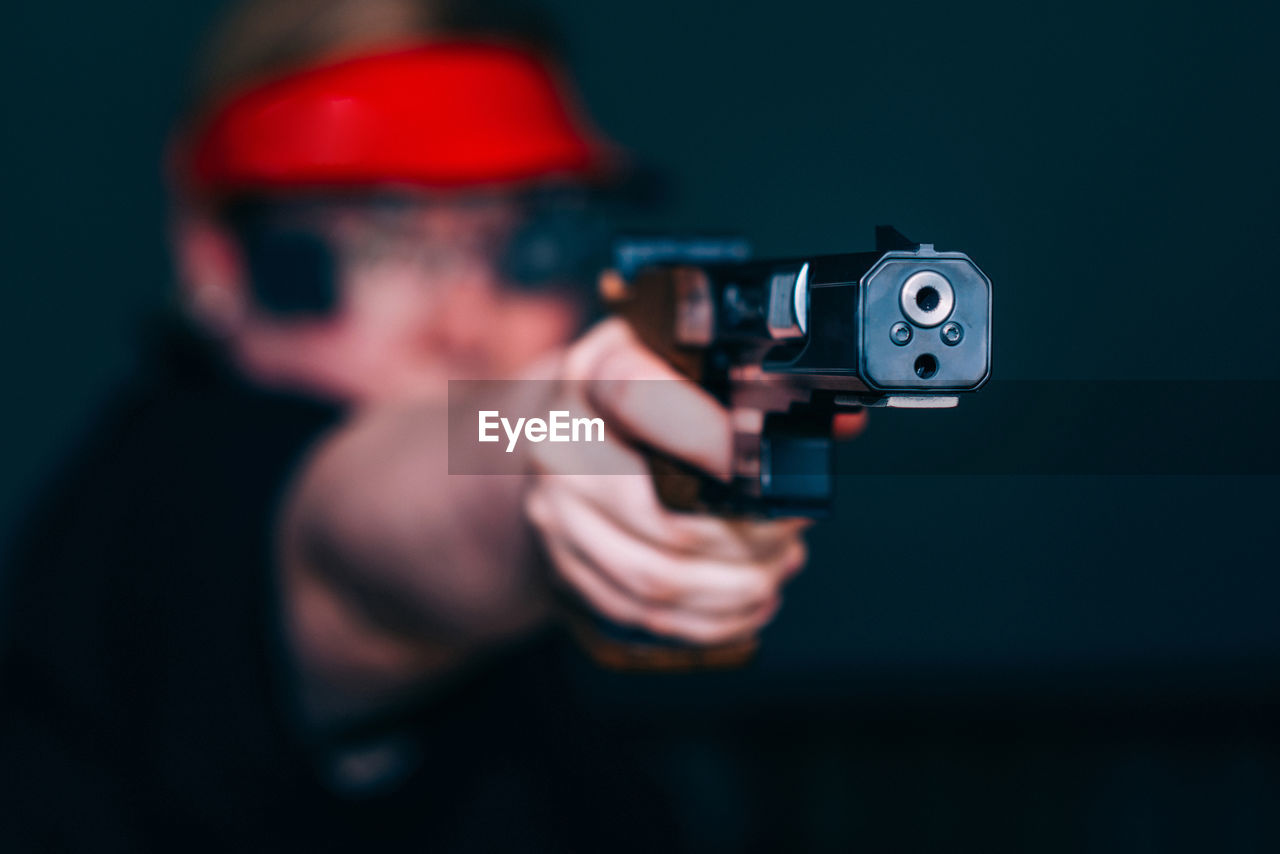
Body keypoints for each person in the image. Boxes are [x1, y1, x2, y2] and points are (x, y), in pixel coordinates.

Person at [0, 0, 850, 850]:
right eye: (383, 236)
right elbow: (384, 504)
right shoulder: (171, 499)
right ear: (217, 257)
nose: (466, 316)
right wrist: (569, 431)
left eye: (533, 242)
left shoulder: (544, 699)